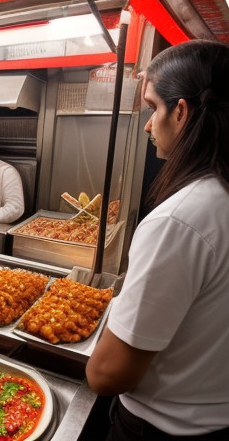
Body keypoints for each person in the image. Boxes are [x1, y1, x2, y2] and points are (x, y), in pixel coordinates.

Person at [86, 40, 229, 440]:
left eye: (152, 108)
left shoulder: (178, 218)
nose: (148, 125)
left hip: (159, 429)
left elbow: (106, 375)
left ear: (181, 111)